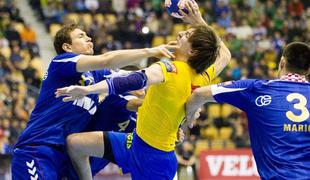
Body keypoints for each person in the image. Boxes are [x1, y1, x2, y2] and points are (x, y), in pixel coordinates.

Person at [55, 1, 231, 179]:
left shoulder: (170, 69)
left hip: (156, 159)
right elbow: (225, 55)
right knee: (74, 143)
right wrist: (198, 21)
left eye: (185, 35)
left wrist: (86, 90)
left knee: (75, 144)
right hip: (134, 143)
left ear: (192, 52)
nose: (179, 33)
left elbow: (131, 81)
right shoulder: (202, 76)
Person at [11, 23, 177, 180]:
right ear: (67, 47)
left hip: (63, 158)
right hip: (38, 148)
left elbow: (134, 77)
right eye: (81, 36)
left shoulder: (96, 75)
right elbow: (106, 59)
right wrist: (151, 51)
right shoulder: (61, 62)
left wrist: (174, 87)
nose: (89, 38)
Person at [185, 42, 310, 179]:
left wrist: (189, 118)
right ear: (308, 69)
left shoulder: (257, 89)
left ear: (282, 62)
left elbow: (198, 94)